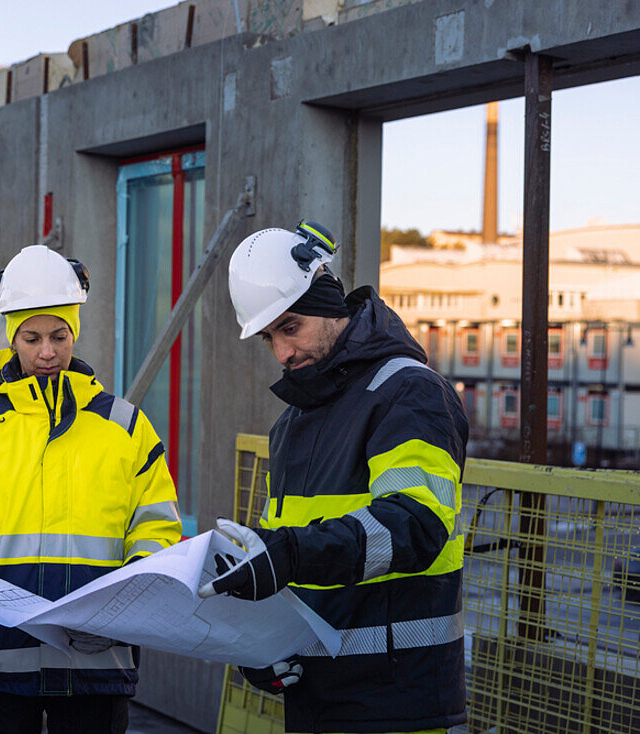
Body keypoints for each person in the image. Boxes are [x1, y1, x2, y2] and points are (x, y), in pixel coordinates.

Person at [199, 221, 469, 734]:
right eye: (268, 337)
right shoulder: (293, 424)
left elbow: (414, 525)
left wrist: (289, 555)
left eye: (291, 326)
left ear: (328, 303)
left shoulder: (409, 393)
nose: (282, 353)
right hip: (317, 702)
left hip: (402, 705)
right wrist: (259, 643)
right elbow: (278, 558)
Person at [0, 244, 182, 733]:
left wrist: (124, 607)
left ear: (75, 331)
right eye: (31, 338)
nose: (47, 351)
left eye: (60, 335)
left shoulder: (125, 426)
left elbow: (156, 530)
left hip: (96, 656)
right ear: (12, 338)